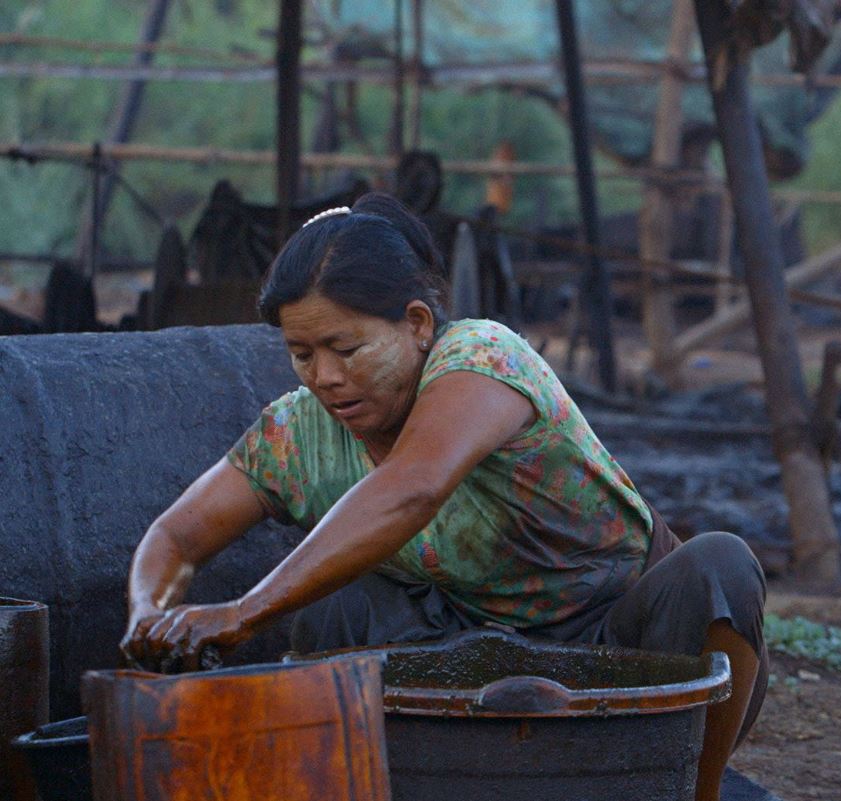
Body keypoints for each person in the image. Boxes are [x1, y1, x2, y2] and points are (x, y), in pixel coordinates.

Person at [121, 192, 767, 801]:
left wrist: (242, 611)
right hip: (463, 654)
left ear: (417, 324)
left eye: (345, 348)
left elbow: (415, 487)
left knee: (721, 565)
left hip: (618, 644)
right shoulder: (300, 431)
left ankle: (693, 789)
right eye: (301, 353)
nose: (324, 376)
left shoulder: (482, 358)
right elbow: (178, 536)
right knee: (335, 608)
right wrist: (147, 613)